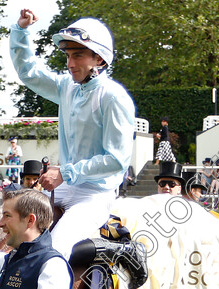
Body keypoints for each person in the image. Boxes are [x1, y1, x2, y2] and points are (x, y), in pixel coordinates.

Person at [10, 10, 135, 260]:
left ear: (99, 59)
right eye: (68, 56)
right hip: (65, 186)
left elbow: (117, 160)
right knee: (10, 228)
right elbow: (29, 73)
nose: (69, 64)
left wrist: (66, 172)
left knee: (53, 251)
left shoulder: (114, 97)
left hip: (94, 194)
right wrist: (20, 31)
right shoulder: (67, 87)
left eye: (77, 56)